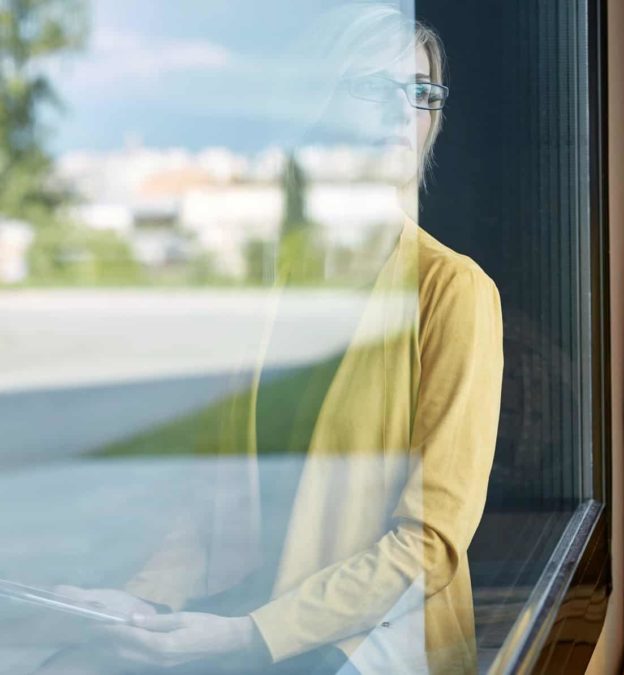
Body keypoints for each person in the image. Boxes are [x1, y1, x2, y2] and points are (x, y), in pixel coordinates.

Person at [37, 8, 502, 675]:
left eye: (421, 92)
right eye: (374, 88)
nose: (404, 112)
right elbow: (207, 503)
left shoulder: (454, 290)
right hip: (243, 617)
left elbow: (429, 543)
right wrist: (139, 602)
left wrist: (246, 635)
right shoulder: (264, 279)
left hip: (371, 640)